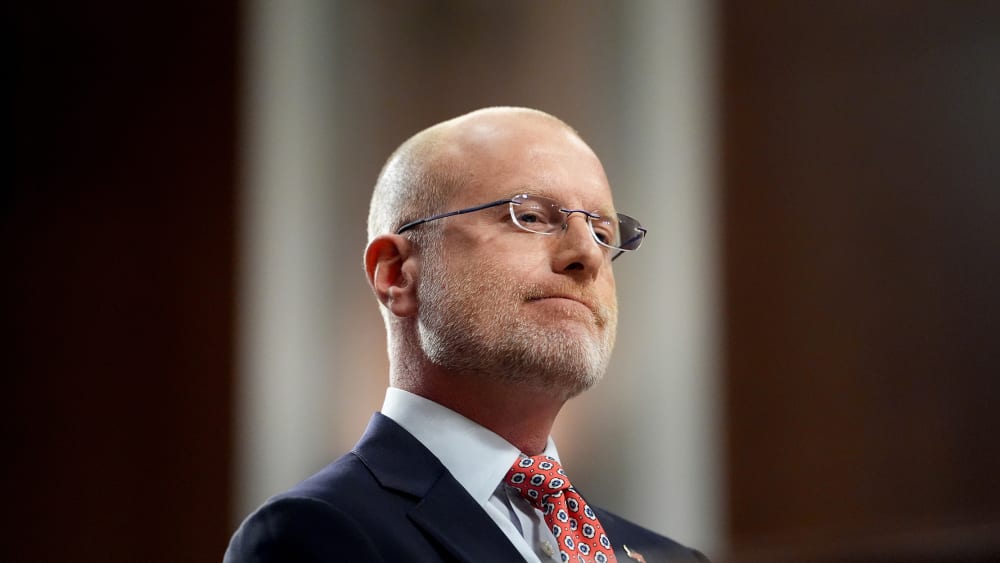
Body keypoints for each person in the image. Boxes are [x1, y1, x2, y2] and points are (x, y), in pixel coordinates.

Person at [224, 107, 708, 563]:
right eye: (531, 216)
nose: (587, 253)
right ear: (396, 274)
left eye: (603, 231)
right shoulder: (315, 533)